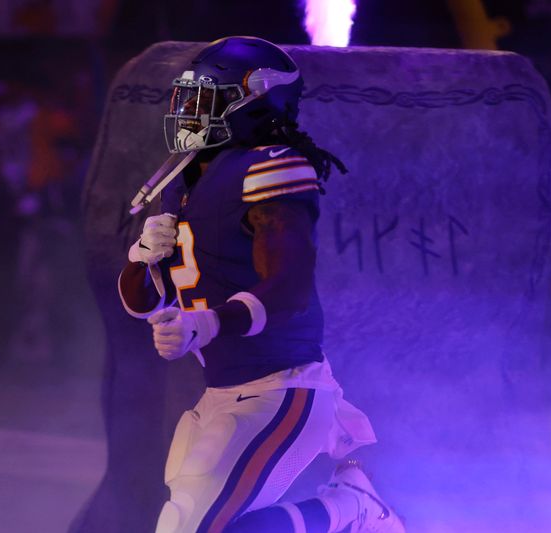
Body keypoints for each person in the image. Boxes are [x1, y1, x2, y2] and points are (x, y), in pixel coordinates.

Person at [118, 37, 405, 533]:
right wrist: (141, 260)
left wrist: (207, 322)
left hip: (282, 384)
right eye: (187, 99)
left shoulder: (272, 163)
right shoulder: (187, 180)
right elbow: (146, 302)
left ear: (255, 99)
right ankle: (343, 508)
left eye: (206, 99)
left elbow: (289, 287)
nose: (190, 113)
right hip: (221, 390)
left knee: (191, 527)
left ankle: (351, 508)